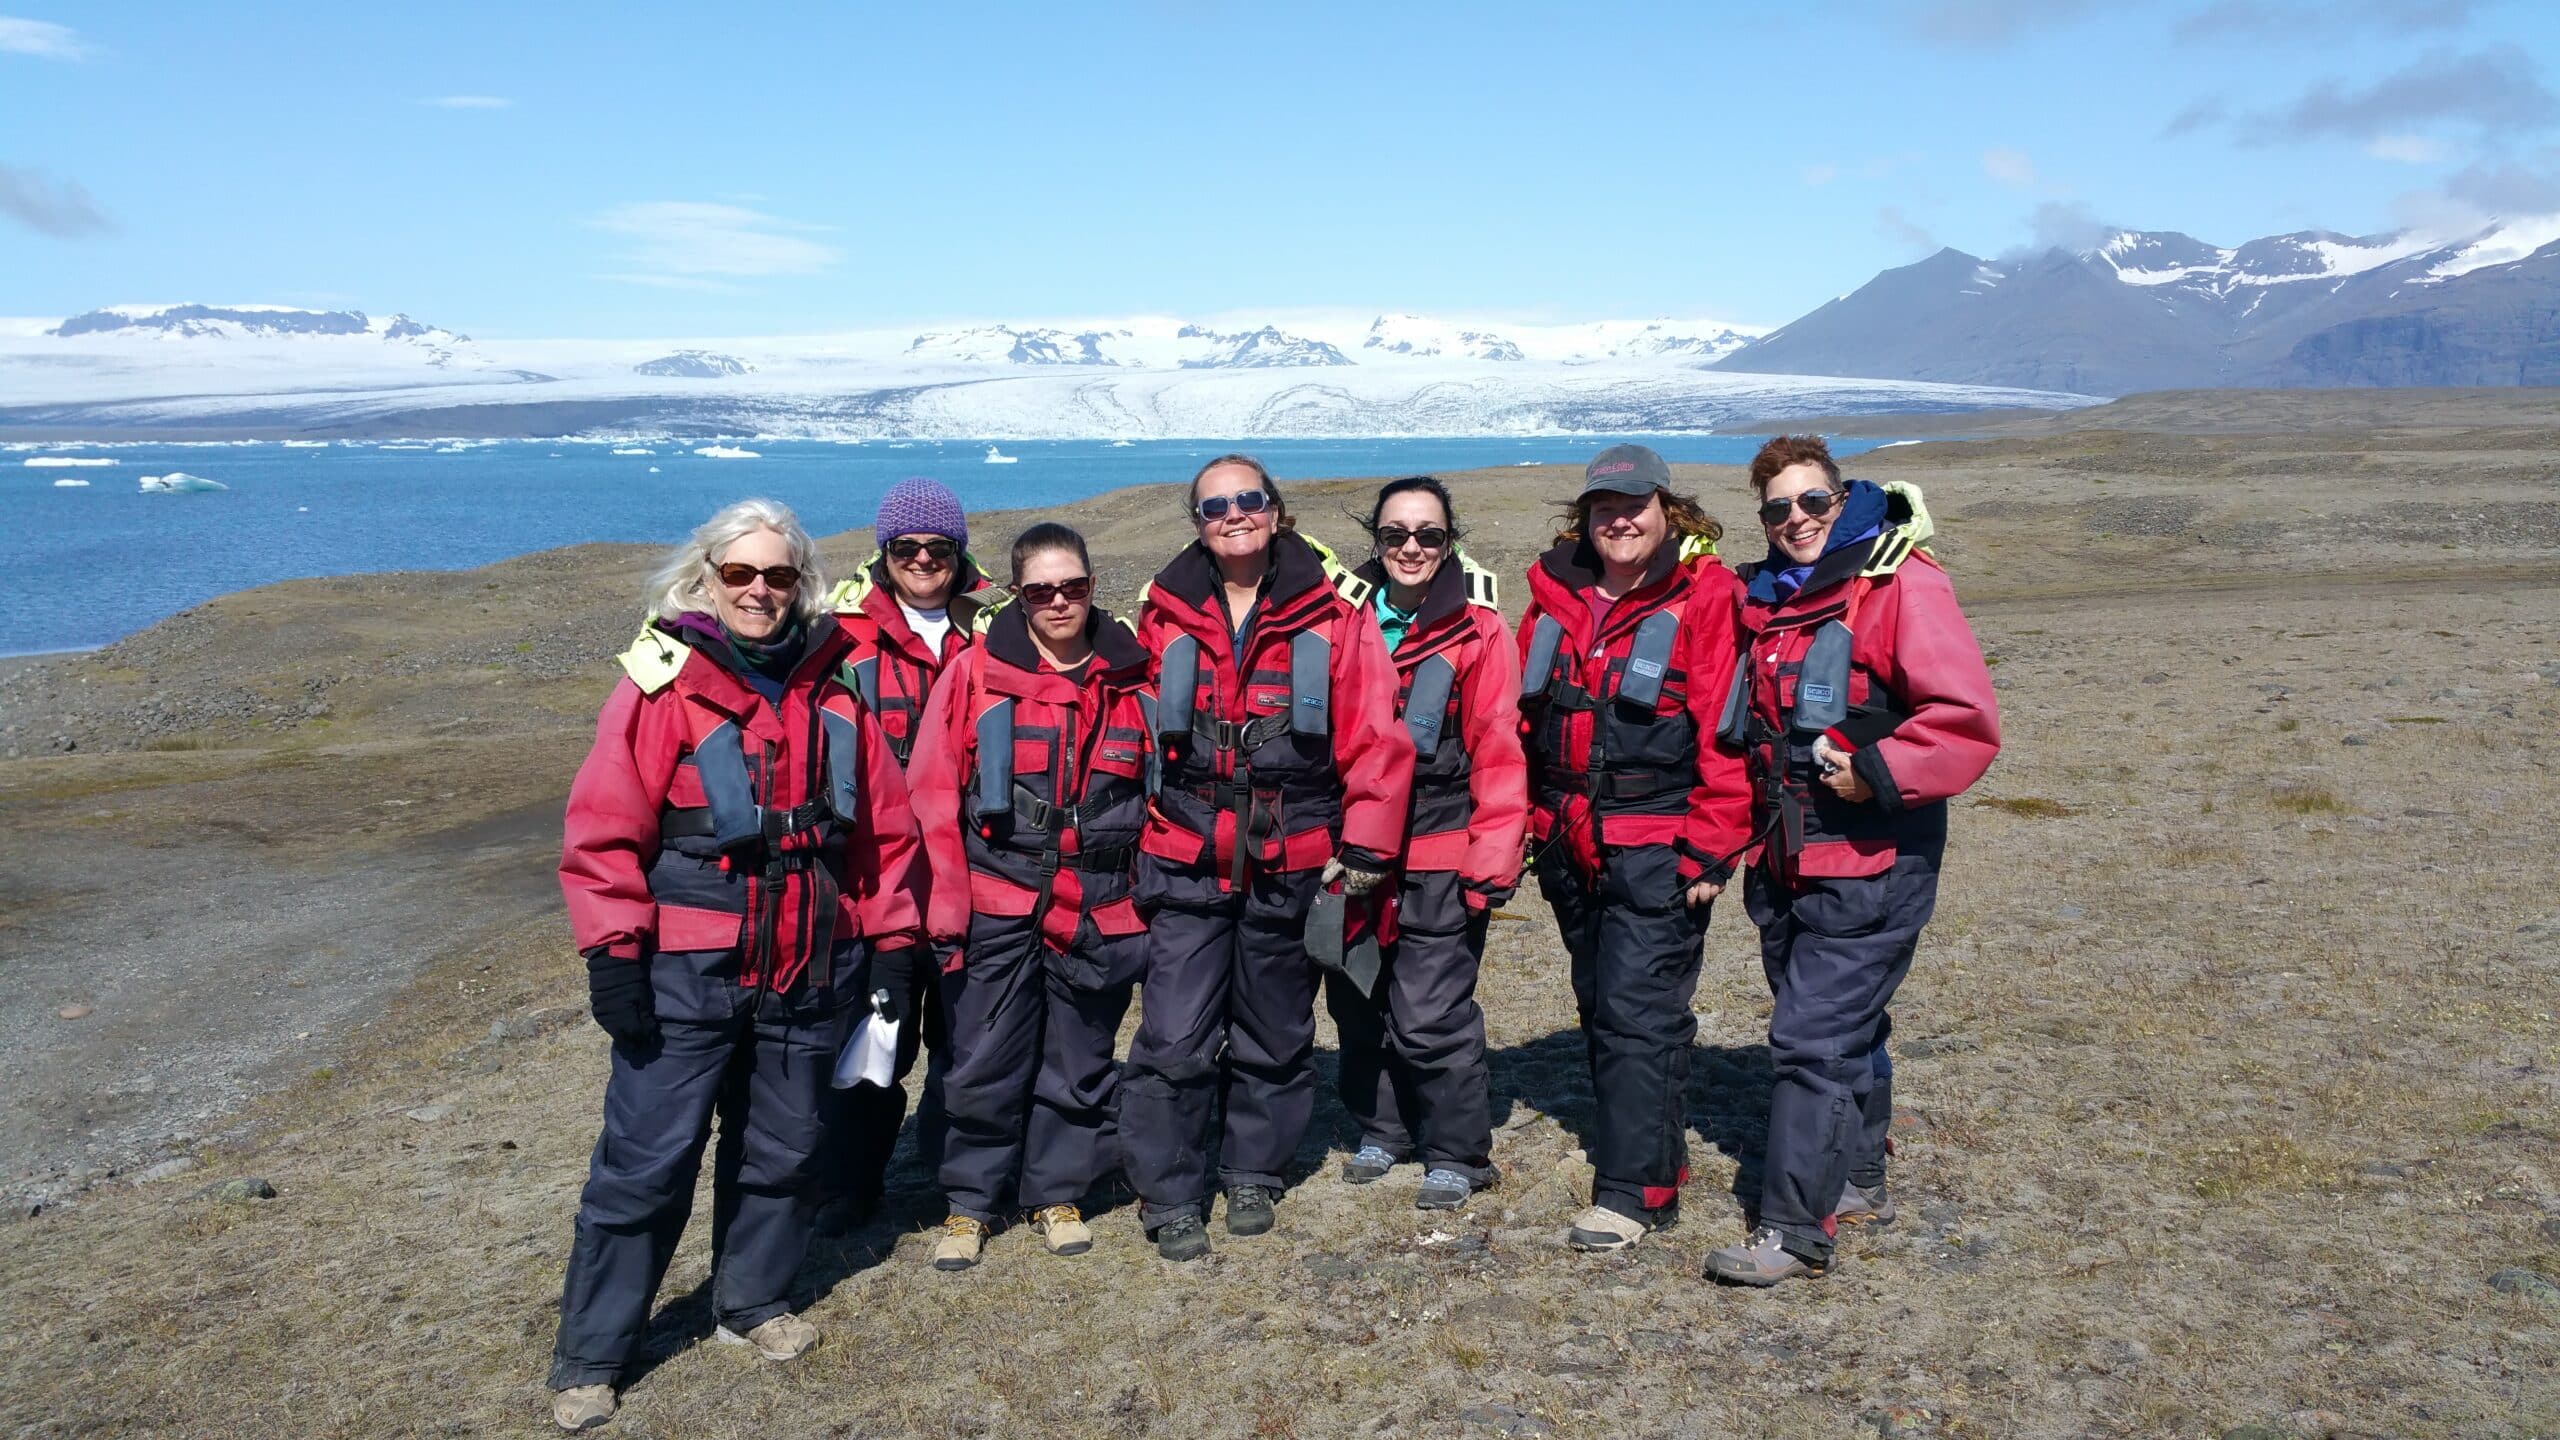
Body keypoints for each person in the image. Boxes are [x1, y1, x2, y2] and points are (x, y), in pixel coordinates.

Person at [548, 498, 925, 1431]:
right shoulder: (658, 686)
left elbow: (883, 837)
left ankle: (751, 1302)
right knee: (645, 1163)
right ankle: (593, 1354)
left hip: (810, 968)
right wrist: (613, 955)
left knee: (787, 1151)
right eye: (740, 574)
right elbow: (603, 835)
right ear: (707, 578)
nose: (759, 591)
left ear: (801, 583)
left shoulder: (837, 689)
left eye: (778, 575)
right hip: (688, 973)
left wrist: (895, 947)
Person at [1702, 435, 2000, 1287]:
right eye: (1776, 508)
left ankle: (1795, 1230)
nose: (1794, 519)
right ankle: (1860, 1174)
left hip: (1875, 856)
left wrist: (1877, 774)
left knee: (1810, 1039)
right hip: (1791, 859)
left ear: (1843, 499)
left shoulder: (1901, 582)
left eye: (1811, 502)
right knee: (1844, 1026)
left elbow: (1964, 718)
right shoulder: (1769, 602)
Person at [1123, 454, 1415, 1261]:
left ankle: (1254, 1168)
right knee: (1175, 1033)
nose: (1235, 515)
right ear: (1197, 524)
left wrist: (1365, 847)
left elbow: (1377, 738)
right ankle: (1170, 1188)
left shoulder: (1337, 613)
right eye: (1216, 506)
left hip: (1295, 853)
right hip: (1186, 848)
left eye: (1249, 500)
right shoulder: (1161, 612)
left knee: (1276, 1027)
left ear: (1277, 511)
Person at [1517, 444, 1752, 1253]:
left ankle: (1635, 1192)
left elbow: (1728, 727)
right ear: (1584, 517)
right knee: (1602, 1004)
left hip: (1660, 842)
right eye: (1604, 507)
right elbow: (1521, 717)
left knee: (1637, 1014)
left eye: (1636, 504)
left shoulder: (1706, 597)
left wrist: (1711, 850)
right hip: (1568, 840)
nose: (1621, 519)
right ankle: (1656, 1154)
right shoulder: (1554, 595)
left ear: (1667, 509)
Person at [905, 523, 1154, 1270]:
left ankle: (1057, 1190)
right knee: (981, 1058)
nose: (1058, 602)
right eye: (1040, 589)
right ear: (1017, 593)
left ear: (1092, 586)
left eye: (1072, 586)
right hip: (997, 896)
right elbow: (931, 791)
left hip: (1101, 898)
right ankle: (970, 1202)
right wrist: (946, 904)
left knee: (1078, 1056)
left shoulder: (1134, 673)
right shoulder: (975, 674)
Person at [1324, 476, 1525, 1210]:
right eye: (1396, 534)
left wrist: (1495, 854)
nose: (1412, 548)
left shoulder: (1480, 632)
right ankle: (1383, 1129)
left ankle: (1457, 1149)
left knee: (1430, 1010)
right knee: (1355, 997)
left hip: (1440, 846)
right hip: (1348, 854)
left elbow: (1498, 747)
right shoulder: (1339, 622)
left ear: (1451, 543)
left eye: (1429, 536)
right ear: (1374, 542)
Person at [818, 477, 1000, 1228]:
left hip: (977, 873)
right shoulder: (838, 634)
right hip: (879, 877)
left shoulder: (999, 627)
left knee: (971, 1042)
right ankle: (848, 1186)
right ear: (883, 550)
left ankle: (956, 1180)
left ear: (959, 552)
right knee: (874, 1039)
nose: (923, 560)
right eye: (906, 547)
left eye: (938, 547)